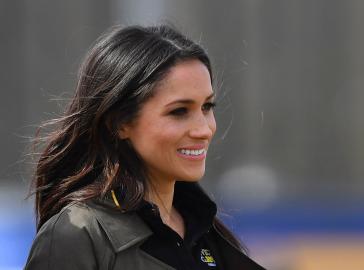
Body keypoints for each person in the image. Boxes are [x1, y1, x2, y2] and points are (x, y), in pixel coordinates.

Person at [24, 25, 265, 270]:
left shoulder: (207, 234)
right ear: (119, 122)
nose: (203, 129)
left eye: (207, 107)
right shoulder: (77, 235)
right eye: (179, 111)